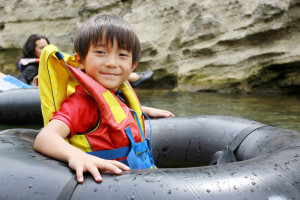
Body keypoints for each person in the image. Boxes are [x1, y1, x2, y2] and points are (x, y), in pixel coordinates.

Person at [34, 14, 174, 183]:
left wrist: (144, 110)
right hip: (108, 186)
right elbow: (45, 137)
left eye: (122, 55)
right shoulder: (81, 104)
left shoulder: (116, 94)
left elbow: (113, 111)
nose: (111, 63)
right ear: (80, 61)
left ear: (132, 66)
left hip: (136, 179)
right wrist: (76, 156)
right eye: (100, 52)